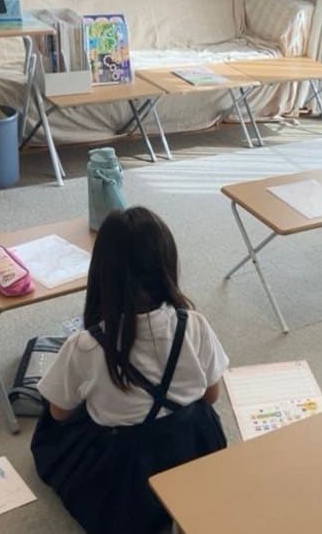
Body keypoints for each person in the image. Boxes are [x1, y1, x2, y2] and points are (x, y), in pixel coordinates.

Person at [31, 206, 229, 534]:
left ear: (101, 274)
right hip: (194, 444)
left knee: (56, 431)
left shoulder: (85, 345)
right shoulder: (194, 324)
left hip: (128, 472)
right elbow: (211, 395)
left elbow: (59, 412)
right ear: (167, 265)